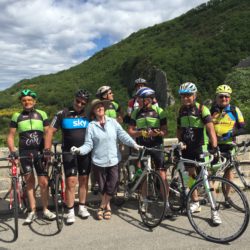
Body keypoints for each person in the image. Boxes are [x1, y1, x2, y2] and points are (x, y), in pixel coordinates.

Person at [70, 99, 142, 220]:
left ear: (104, 108)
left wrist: (133, 144)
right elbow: (88, 144)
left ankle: (101, 206)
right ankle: (107, 207)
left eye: (101, 106)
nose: (100, 108)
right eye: (96, 107)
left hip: (114, 159)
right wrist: (79, 150)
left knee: (112, 185)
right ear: (93, 111)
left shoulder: (113, 122)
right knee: (103, 187)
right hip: (98, 161)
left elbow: (123, 135)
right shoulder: (91, 126)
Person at [7, 89, 56, 224]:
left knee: (44, 182)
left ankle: (45, 210)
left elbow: (48, 133)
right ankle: (32, 211)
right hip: (24, 153)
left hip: (40, 152)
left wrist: (47, 149)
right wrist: (12, 150)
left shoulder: (41, 114)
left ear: (34, 102)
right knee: (29, 182)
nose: (27, 102)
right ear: (21, 102)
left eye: (29, 100)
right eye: (24, 100)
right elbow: (10, 136)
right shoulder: (16, 116)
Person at [44, 89, 91, 225]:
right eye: (78, 101)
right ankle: (70, 210)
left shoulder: (88, 114)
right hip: (68, 152)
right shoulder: (62, 113)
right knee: (71, 182)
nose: (80, 104)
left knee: (84, 180)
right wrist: (47, 150)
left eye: (83, 103)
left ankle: (82, 207)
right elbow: (50, 131)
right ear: (74, 99)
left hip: (85, 151)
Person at [177, 82, 221, 225]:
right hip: (187, 149)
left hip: (201, 148)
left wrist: (214, 148)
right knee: (190, 175)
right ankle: (195, 201)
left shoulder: (202, 109)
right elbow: (179, 129)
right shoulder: (181, 110)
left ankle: (214, 210)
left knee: (206, 180)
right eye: (183, 96)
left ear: (195, 95)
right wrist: (180, 141)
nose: (185, 98)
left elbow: (210, 130)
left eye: (188, 95)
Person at [127, 87, 171, 217]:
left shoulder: (159, 111)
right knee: (144, 175)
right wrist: (141, 132)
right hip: (143, 146)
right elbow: (130, 130)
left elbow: (165, 131)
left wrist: (158, 133)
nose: (138, 101)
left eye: (140, 99)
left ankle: (166, 203)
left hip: (157, 146)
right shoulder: (135, 113)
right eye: (138, 99)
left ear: (148, 100)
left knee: (162, 175)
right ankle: (144, 200)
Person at [210, 84, 245, 199]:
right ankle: (212, 199)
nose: (224, 99)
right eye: (221, 96)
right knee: (212, 172)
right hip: (214, 145)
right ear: (216, 98)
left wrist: (231, 134)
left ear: (229, 98)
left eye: (226, 97)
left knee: (228, 172)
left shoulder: (235, 110)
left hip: (229, 145)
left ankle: (227, 197)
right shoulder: (211, 110)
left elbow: (242, 127)